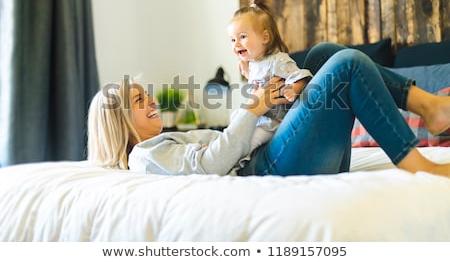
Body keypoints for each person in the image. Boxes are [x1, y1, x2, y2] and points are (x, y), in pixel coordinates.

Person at [87, 18, 450, 179]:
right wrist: (254, 106)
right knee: (347, 63)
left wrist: (269, 90)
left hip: (280, 154)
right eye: (139, 101)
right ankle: (412, 160)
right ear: (119, 126)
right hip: (267, 168)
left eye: (145, 95)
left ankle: (430, 107)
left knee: (322, 55)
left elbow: (225, 144)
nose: (151, 101)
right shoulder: (144, 155)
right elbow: (213, 164)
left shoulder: (159, 147)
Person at [228, 0, 312, 151]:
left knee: (251, 141)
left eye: (242, 37)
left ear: (265, 37)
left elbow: (301, 77)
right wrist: (247, 72)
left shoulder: (277, 61)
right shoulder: (254, 63)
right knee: (234, 119)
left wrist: (293, 89)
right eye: (232, 40)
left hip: (272, 122)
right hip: (257, 117)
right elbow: (258, 85)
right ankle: (221, 146)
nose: (236, 44)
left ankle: (241, 162)